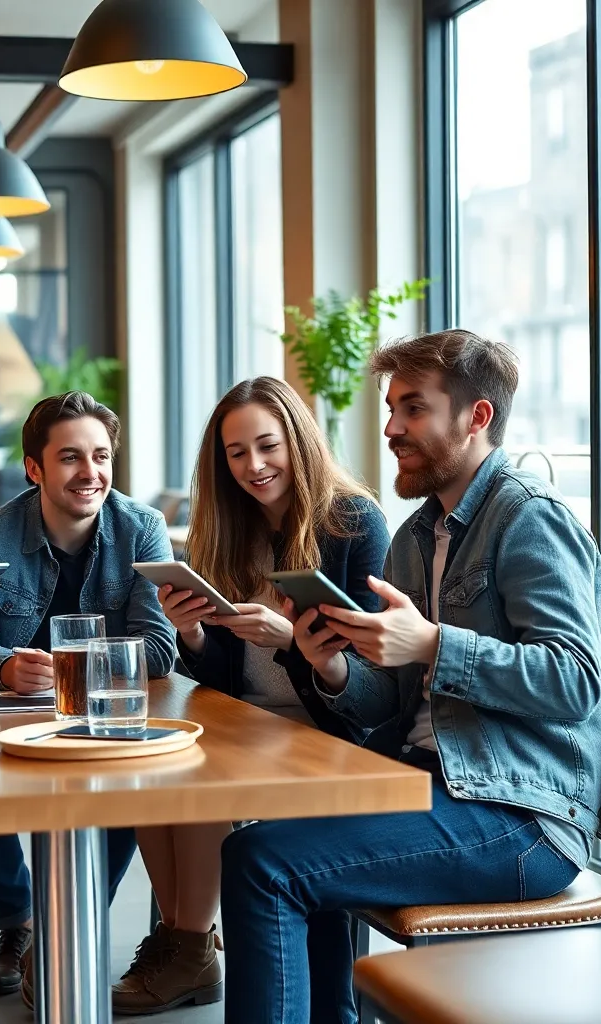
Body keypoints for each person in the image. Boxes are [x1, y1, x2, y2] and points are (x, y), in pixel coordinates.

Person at [220, 331, 601, 1024]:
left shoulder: (530, 518)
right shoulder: (413, 537)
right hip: (431, 780)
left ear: (477, 417)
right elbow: (389, 705)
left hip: (522, 818)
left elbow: (577, 682)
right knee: (278, 834)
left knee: (263, 862)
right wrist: (332, 664)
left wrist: (434, 643)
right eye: (391, 408)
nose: (392, 427)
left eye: (413, 409)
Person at [116, 376, 390, 1015]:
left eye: (267, 446)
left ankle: (199, 950)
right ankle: (184, 942)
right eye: (236, 453)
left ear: (298, 442)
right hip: (253, 723)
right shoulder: (230, 533)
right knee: (150, 766)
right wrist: (190, 633)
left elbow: (371, 682)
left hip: (332, 732)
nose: (253, 466)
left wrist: (289, 641)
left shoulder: (352, 523)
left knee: (275, 849)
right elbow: (222, 681)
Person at [0, 390, 177, 1004]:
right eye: (71, 458)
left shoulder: (142, 529)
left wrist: (75, 671)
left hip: (104, 715)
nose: (91, 473)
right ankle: (20, 923)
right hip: (10, 718)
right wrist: (3, 667)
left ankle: (67, 918)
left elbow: (161, 648)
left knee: (131, 777)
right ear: (36, 468)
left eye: (101, 456)